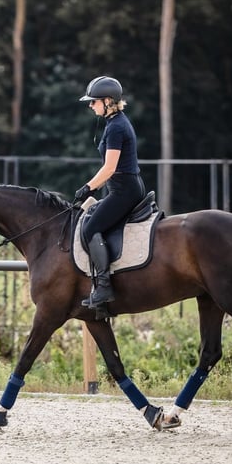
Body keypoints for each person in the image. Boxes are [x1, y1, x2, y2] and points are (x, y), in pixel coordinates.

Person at [74, 75, 146, 311]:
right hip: (123, 187)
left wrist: (87, 188)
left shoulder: (116, 127)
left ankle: (104, 286)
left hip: (124, 190)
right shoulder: (114, 122)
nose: (90, 105)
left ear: (107, 101)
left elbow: (110, 167)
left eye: (93, 101)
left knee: (90, 228)